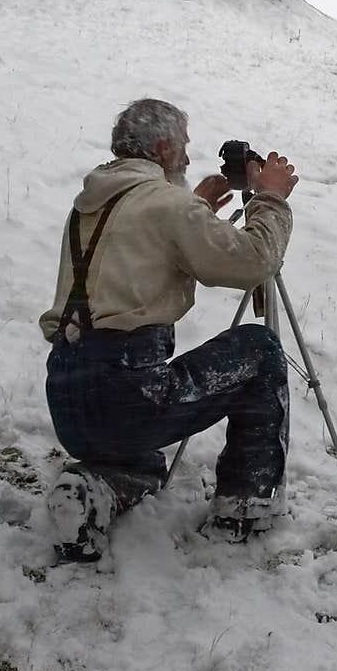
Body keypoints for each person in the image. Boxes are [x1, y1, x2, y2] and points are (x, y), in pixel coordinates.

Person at [39, 98, 298, 562]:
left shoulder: (92, 204)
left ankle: (90, 493)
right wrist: (271, 199)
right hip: (127, 392)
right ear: (162, 147)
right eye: (183, 147)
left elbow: (139, 248)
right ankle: (244, 507)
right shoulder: (166, 204)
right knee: (259, 350)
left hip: (68, 400)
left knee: (144, 458)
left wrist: (194, 205)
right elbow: (254, 261)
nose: (187, 157)